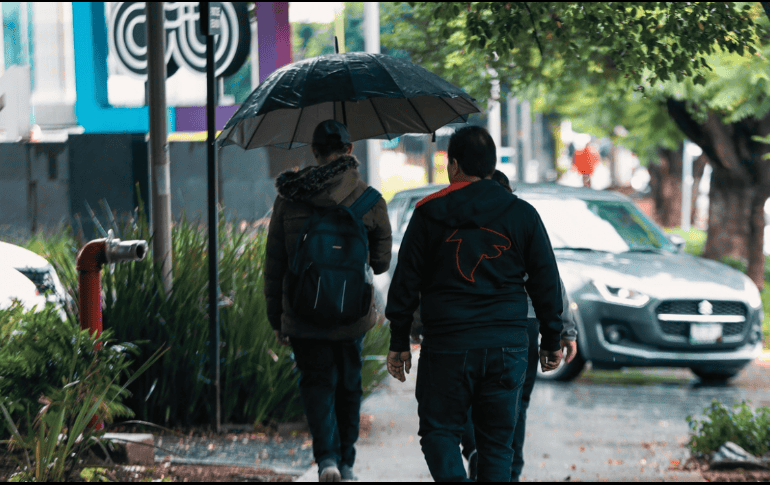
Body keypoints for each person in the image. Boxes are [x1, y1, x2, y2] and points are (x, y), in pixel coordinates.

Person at [385, 126, 564, 482]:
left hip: (449, 345)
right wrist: (552, 338)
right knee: (498, 444)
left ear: (453, 166)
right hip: (508, 346)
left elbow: (405, 282)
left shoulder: (428, 213)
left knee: (439, 432)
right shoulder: (522, 214)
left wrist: (399, 341)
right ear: (492, 165)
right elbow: (546, 281)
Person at [263, 119, 392, 482]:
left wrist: (278, 319)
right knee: (350, 385)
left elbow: (274, 267)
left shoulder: (289, 200)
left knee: (316, 384)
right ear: (350, 151)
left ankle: (327, 461)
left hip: (304, 314)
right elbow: (381, 264)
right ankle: (347, 461)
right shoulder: (369, 200)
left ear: (315, 153)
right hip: (352, 315)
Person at [459, 169, 579, 482]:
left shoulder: (462, 220)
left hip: (470, 324)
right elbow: (549, 278)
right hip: (521, 324)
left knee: (467, 395)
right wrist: (563, 331)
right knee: (516, 403)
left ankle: (475, 451)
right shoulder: (524, 220)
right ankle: (509, 472)